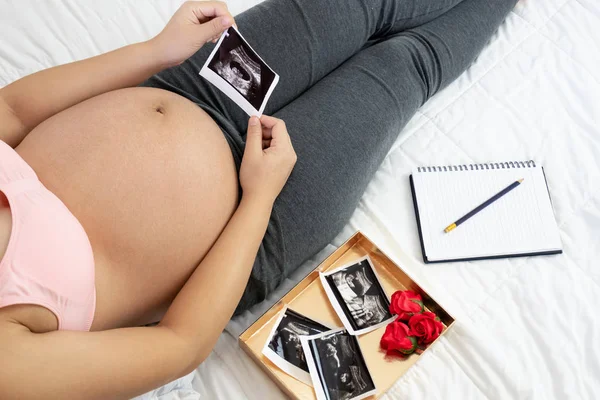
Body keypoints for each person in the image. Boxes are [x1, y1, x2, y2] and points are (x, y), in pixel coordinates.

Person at [0, 0, 517, 397]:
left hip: (192, 85)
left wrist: (156, 52)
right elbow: (176, 345)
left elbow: (14, 112)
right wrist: (259, 197)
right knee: (407, 65)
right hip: (257, 217)